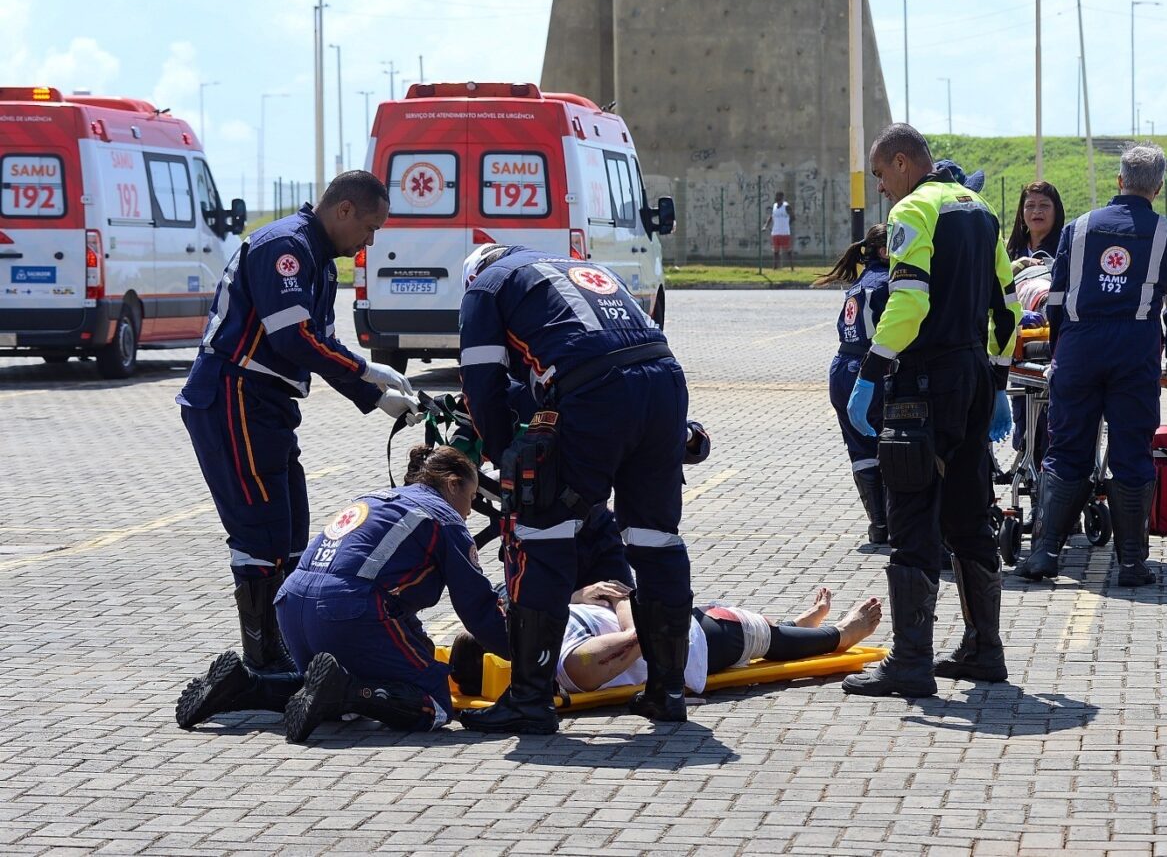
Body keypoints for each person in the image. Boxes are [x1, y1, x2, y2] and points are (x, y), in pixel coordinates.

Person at [177, 171, 419, 675]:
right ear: (344, 210)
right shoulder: (285, 248)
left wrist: (373, 393)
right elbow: (294, 340)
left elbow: (322, 344)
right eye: (370, 228)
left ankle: (279, 649)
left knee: (289, 533)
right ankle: (263, 661)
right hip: (234, 396)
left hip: (267, 404)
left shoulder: (320, 264)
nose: (370, 241)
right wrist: (367, 375)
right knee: (261, 532)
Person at [455, 244, 693, 733]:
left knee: (540, 532)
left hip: (595, 392)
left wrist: (504, 457)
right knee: (655, 539)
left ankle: (529, 701)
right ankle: (667, 692)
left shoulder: (485, 288)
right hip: (664, 382)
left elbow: (483, 386)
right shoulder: (580, 269)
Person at [840, 125, 1020, 698]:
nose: (882, 190)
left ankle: (911, 661)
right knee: (969, 513)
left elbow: (909, 301)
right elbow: (1009, 306)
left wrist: (870, 373)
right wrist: (994, 381)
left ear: (901, 163)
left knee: (912, 512)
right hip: (970, 376)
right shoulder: (980, 207)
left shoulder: (914, 211)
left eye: (880, 177)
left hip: (922, 381)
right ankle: (983, 650)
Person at [174, 445, 513, 740]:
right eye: (470, 498)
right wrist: (526, 662)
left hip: (292, 605)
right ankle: (349, 692)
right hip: (349, 610)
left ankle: (247, 685)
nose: (469, 511)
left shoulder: (376, 499)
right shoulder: (444, 518)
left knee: (321, 689)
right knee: (435, 704)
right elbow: (476, 608)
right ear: (453, 485)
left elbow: (389, 591)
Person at [1019, 143, 1167, 587]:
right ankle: (1132, 564)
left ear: (1120, 180)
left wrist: (1062, 350)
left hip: (1078, 347)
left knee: (1066, 448)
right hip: (1135, 350)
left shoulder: (1076, 230)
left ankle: (1044, 554)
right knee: (1131, 452)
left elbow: (1054, 301)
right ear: (1158, 187)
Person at [450, 587, 883, 697]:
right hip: (694, 642)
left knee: (740, 621)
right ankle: (840, 633)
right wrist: (624, 602)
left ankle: (797, 624)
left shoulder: (540, 642)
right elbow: (637, 636)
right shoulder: (565, 661)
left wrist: (580, 597)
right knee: (748, 629)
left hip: (692, 628)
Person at [814, 224, 890, 546]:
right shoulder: (888, 283)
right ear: (884, 250)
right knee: (891, 444)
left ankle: (878, 525)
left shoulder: (861, 282)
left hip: (841, 369)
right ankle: (895, 522)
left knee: (861, 449)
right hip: (869, 370)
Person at [1004, 182, 1067, 463]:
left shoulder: (1066, 246)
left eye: (1044, 205)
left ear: (1056, 211)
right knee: (1025, 426)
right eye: (1030, 205)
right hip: (1019, 343)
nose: (1036, 211)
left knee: (1051, 427)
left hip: (1051, 340)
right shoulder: (1011, 251)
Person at [764, 191, 795, 270]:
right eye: (776, 196)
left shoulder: (786, 206)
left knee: (788, 251)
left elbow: (793, 217)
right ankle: (775, 268)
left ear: (782, 197)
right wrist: (765, 226)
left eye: (779, 197)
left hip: (784, 233)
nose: (777, 198)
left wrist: (787, 224)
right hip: (775, 232)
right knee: (775, 251)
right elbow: (771, 217)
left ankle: (792, 268)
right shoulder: (774, 206)